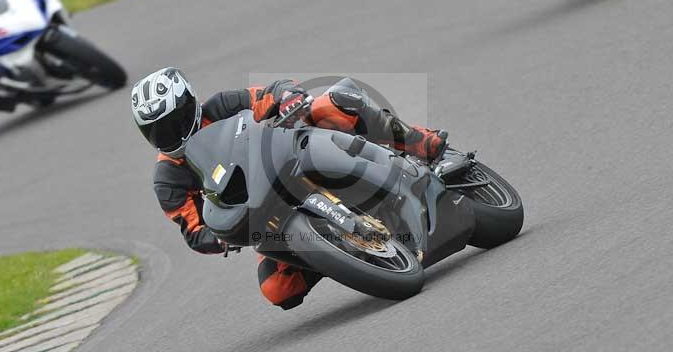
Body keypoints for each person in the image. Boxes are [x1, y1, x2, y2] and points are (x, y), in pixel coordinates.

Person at [131, 68, 448, 310]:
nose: (169, 134)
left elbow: (266, 94)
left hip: (289, 157)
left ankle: (415, 140)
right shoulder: (168, 179)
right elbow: (194, 231)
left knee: (333, 104)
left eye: (175, 121)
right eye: (157, 130)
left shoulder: (221, 106)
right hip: (262, 215)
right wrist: (222, 238)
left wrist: (289, 97)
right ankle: (338, 253)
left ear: (190, 104)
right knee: (278, 289)